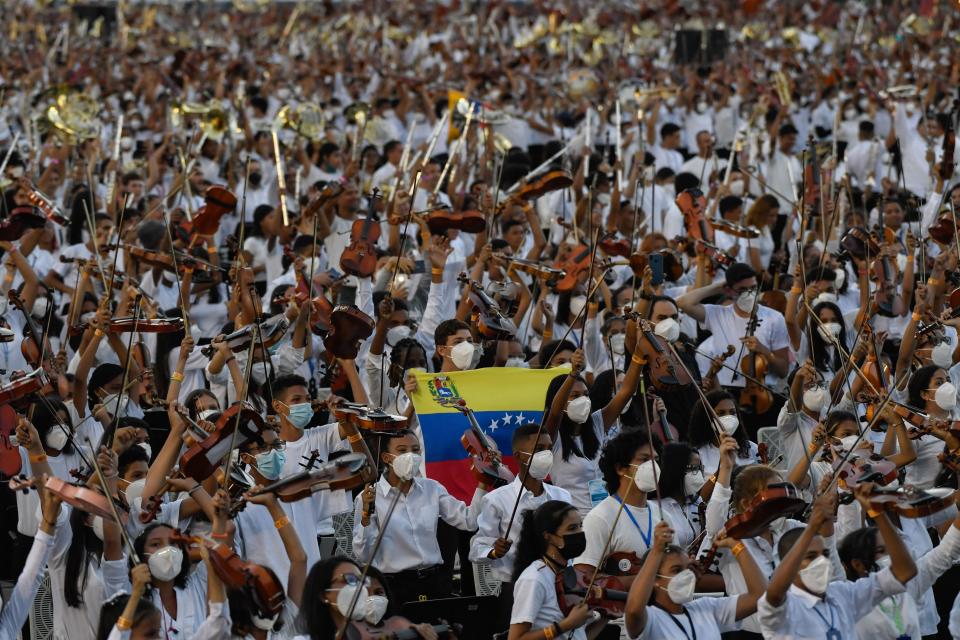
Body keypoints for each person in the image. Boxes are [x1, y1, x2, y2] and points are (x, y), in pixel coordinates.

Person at [757, 484, 918, 640]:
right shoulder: (784, 608)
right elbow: (774, 594)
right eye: (810, 556)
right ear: (789, 563)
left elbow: (904, 571)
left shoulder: (842, 594)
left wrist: (877, 512)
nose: (821, 561)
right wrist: (812, 527)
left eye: (825, 554)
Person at [353, 430, 486, 601]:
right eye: (402, 450)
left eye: (415, 450)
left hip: (434, 583)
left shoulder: (432, 488)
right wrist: (366, 515)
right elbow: (363, 554)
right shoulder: (369, 496)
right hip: (395, 586)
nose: (411, 455)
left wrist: (483, 482)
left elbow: (469, 521)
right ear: (386, 458)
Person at [469, 423, 573, 628]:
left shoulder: (562, 496)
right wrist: (493, 551)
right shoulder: (497, 499)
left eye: (548, 449)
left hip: (559, 587)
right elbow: (476, 545)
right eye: (539, 449)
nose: (546, 454)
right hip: (517, 588)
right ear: (518, 456)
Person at [623, 521, 766, 640]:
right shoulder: (651, 620)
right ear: (655, 580)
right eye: (676, 570)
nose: (685, 575)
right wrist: (656, 551)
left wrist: (736, 546)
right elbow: (634, 610)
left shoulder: (707, 608)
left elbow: (759, 596)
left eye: (688, 568)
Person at [508, 500, 606, 640]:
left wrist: (605, 618)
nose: (580, 533)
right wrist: (565, 625)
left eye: (580, 526)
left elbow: (576, 636)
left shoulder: (569, 573)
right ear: (549, 537)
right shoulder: (534, 578)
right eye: (572, 528)